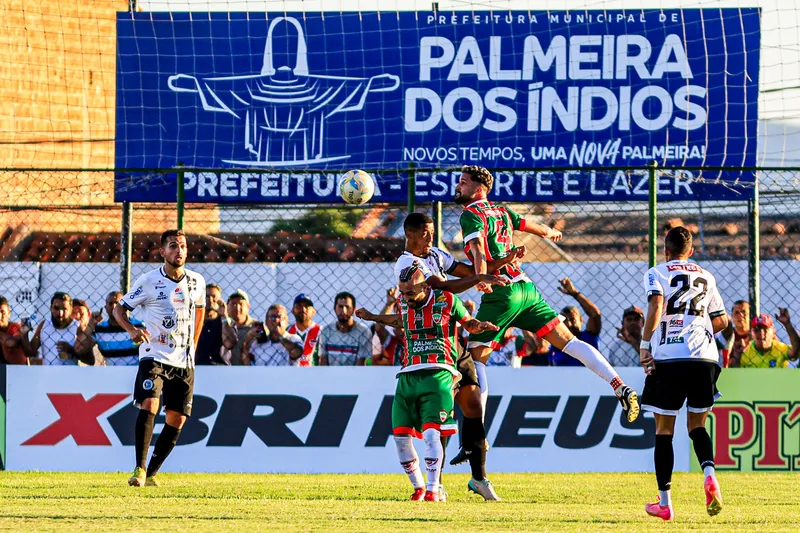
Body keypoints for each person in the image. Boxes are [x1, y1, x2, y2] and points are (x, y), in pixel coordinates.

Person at [454, 165, 640, 423]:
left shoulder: (471, 213)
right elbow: (532, 226)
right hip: (526, 289)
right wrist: (551, 232)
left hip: (501, 291)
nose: (458, 186)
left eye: (463, 182)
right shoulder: (501, 210)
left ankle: (476, 435)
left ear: (479, 189)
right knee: (569, 342)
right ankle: (619, 384)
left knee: (476, 361)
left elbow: (476, 247)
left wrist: (481, 276)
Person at [356, 265, 499, 502]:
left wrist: (479, 325)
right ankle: (428, 487)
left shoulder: (447, 300)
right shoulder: (405, 300)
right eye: (402, 292)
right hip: (413, 372)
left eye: (409, 292)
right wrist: (373, 316)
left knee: (459, 417)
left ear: (425, 286)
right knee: (413, 435)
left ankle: (463, 481)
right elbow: (402, 320)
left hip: (446, 365)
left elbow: (468, 323)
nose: (405, 297)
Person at [393, 212, 510, 500]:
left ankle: (479, 478)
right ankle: (437, 484)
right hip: (429, 349)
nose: (431, 236)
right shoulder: (407, 264)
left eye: (432, 231)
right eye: (426, 232)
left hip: (452, 342)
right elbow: (443, 287)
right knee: (439, 419)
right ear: (411, 234)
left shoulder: (434, 253)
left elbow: (463, 270)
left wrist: (499, 265)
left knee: (473, 405)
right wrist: (481, 277)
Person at [638, 226, 729, 521]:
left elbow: (656, 303)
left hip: (670, 357)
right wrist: (698, 327)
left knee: (664, 431)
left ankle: (665, 503)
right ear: (691, 251)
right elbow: (723, 321)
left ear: (666, 250)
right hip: (704, 357)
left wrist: (644, 344)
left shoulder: (657, 272)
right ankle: (710, 473)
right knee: (697, 426)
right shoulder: (706, 275)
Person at [114, 229, 206, 488]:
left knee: (177, 419)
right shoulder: (149, 281)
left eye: (183, 246)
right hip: (154, 355)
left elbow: (200, 311)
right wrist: (132, 329)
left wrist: (194, 345)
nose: (179, 251)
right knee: (150, 405)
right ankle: (139, 468)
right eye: (173, 246)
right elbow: (119, 308)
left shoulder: (197, 281)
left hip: (184, 360)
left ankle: (152, 472)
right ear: (162, 252)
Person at [21, 292, 93, 366]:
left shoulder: (78, 327)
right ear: (51, 308)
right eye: (56, 308)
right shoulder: (44, 325)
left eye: (64, 309)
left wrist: (72, 351)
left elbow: (90, 360)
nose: (60, 313)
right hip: (48, 375)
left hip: (70, 375)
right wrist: (24, 335)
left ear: (71, 310)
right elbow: (30, 353)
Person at [548, 278, 601, 366]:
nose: (568, 324)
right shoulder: (556, 344)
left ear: (581, 320)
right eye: (564, 320)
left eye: (572, 319)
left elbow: (595, 315)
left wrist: (575, 293)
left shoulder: (588, 338)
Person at [318, 292, 371, 366]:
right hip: (330, 376)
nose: (343, 311)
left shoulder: (363, 332)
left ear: (354, 309)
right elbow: (323, 362)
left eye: (347, 307)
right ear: (334, 308)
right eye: (340, 306)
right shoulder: (326, 331)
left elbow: (361, 365)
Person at [94, 291, 145, 366]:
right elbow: (83, 350)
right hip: (111, 372)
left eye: (117, 303)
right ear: (105, 307)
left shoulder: (138, 326)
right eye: (110, 303)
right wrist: (90, 323)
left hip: (134, 371)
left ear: (125, 306)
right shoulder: (99, 329)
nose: (114, 307)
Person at [195, 284, 238, 365]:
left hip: (220, 366)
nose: (210, 300)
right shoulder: (195, 320)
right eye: (207, 296)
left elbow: (229, 344)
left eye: (214, 296)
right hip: (197, 365)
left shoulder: (227, 322)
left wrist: (224, 316)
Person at [287, 294, 321, 367]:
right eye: (299, 306)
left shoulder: (321, 332)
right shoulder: (287, 332)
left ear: (313, 312)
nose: (303, 309)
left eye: (307, 306)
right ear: (293, 310)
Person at [226, 289, 258, 365]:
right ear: (227, 307)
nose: (237, 307)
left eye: (241, 304)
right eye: (233, 304)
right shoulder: (223, 326)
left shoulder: (257, 326)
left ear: (248, 307)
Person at [0, 296, 28, 364]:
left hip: (16, 367)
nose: (0, 316)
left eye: (3, 312)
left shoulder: (15, 327)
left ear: (9, 313)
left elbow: (12, 342)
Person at [724, 301, 752, 368]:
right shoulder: (727, 335)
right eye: (737, 312)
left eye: (744, 312)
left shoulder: (759, 335)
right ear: (732, 316)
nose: (740, 315)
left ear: (750, 315)